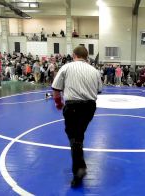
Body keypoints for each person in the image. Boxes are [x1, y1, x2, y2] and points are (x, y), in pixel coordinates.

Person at [51, 46, 102, 187]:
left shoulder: (66, 68)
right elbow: (99, 90)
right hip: (89, 108)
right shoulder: (94, 71)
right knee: (78, 137)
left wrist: (58, 103)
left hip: (73, 107)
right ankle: (81, 167)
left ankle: (79, 172)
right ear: (86, 57)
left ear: (74, 55)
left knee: (74, 139)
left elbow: (56, 89)